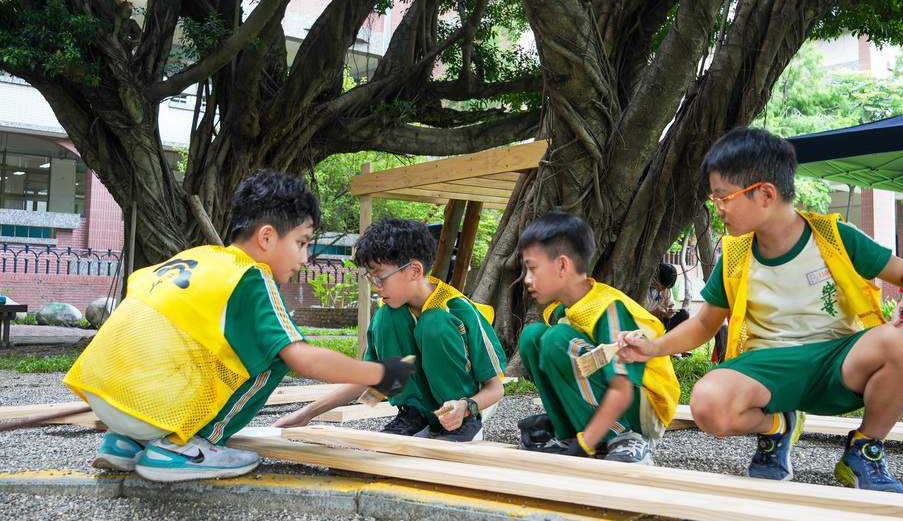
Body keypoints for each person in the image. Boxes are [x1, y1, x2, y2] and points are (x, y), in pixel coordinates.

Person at [618, 127, 903, 492]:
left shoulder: (834, 237)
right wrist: (654, 347)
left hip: (840, 362)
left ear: (765, 194)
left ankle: (865, 449)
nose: (717, 207)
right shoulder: (734, 257)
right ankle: (778, 426)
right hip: (768, 367)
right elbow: (705, 323)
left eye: (723, 197)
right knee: (708, 404)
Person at [63, 170, 413, 483]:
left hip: (104, 396)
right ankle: (183, 448)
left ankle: (125, 444)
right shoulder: (252, 276)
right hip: (151, 408)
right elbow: (303, 359)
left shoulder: (197, 256)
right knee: (277, 352)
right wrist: (380, 373)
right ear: (266, 237)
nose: (305, 258)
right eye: (302, 243)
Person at [274, 218, 506, 442]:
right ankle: (414, 416)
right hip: (428, 412)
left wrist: (466, 407)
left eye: (380, 277)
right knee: (387, 316)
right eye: (371, 278)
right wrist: (306, 414)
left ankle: (468, 427)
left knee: (433, 322)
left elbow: (495, 389)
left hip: (467, 408)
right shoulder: (391, 313)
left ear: (414, 270)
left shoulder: (456, 309)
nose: (376, 288)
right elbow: (372, 379)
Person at [516, 211, 680, 465]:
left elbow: (622, 390)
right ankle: (569, 434)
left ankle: (626, 438)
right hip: (611, 401)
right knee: (533, 336)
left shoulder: (607, 308)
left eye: (532, 268)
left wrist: (585, 445)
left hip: (639, 407)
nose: (527, 279)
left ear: (562, 265)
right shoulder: (562, 310)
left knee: (556, 338)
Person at [647, 262, 689, 332]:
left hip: (659, 320)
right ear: (655, 278)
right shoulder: (642, 289)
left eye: (667, 287)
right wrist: (654, 313)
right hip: (644, 321)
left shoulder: (666, 288)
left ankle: (665, 340)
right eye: (663, 287)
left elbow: (672, 304)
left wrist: (671, 309)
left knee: (684, 314)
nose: (664, 290)